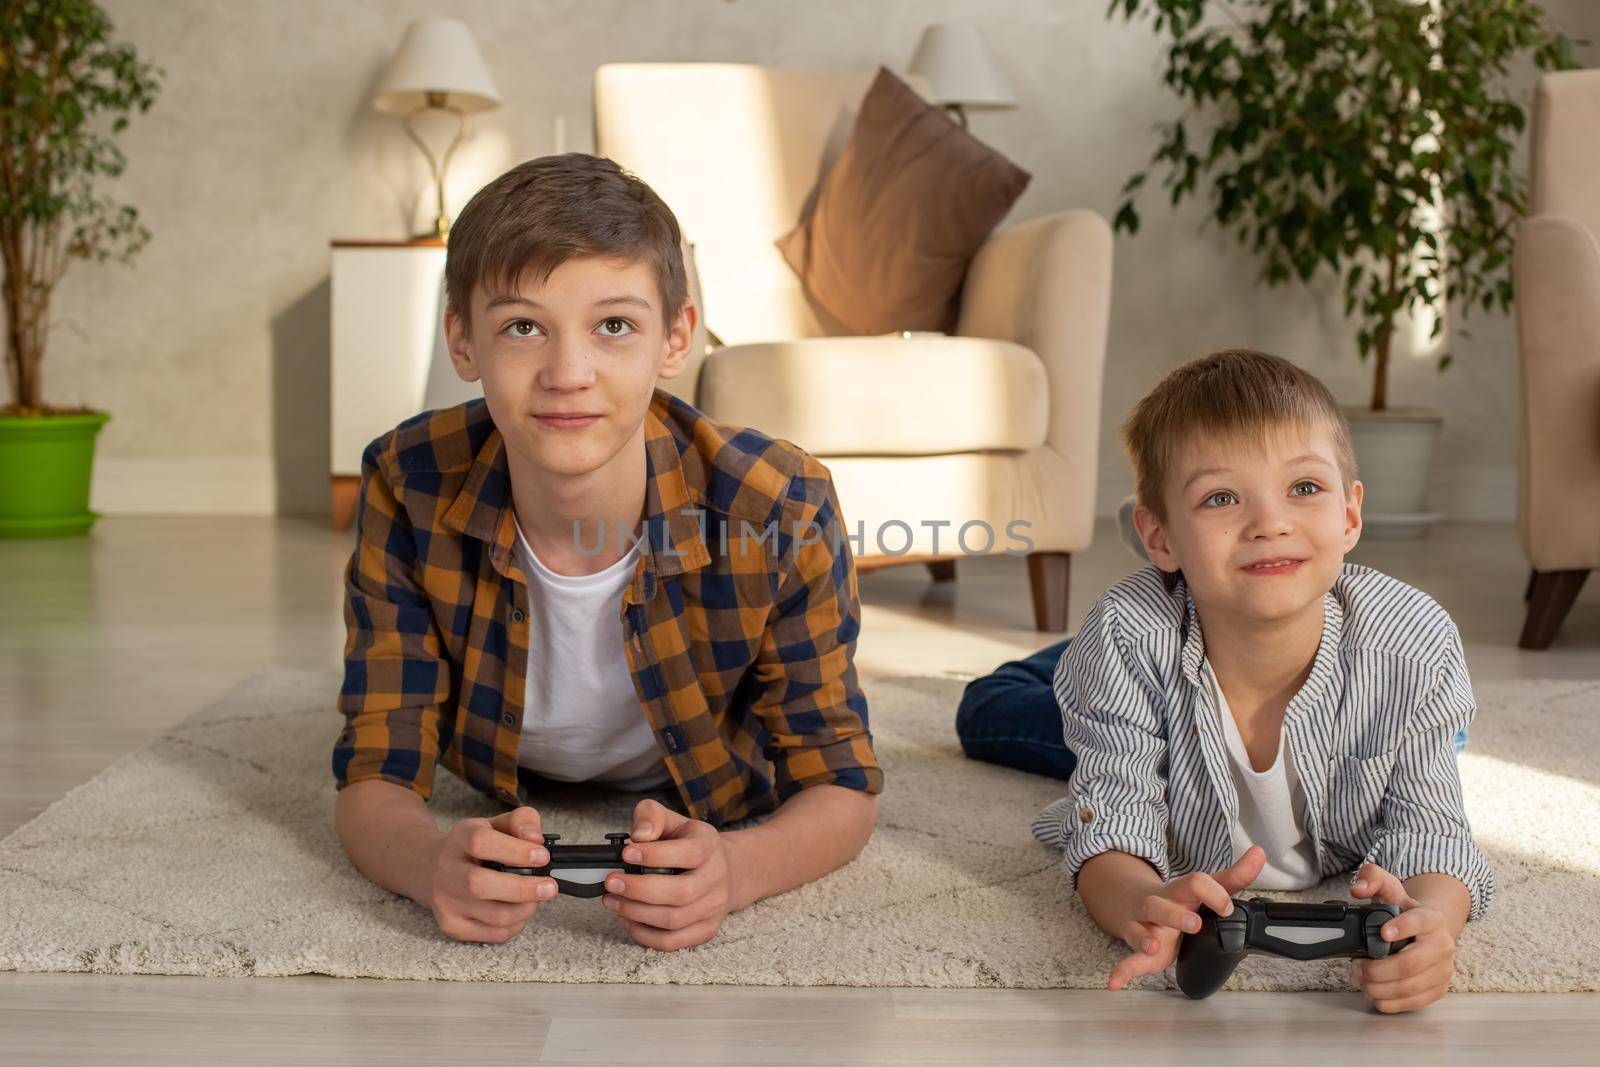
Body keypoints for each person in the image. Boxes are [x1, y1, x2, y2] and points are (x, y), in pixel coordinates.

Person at [332, 154, 880, 951]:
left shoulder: (782, 504)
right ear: (462, 341)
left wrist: (738, 865)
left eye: (613, 326)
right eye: (523, 327)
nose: (568, 374)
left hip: (701, 773)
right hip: (495, 766)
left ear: (674, 339)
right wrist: (426, 863)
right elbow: (373, 773)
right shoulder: (404, 482)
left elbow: (840, 784)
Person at [956, 349, 1490, 1012]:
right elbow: (1112, 819)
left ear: (1351, 516)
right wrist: (1138, 902)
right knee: (986, 711)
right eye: (1220, 498)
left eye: (1304, 488)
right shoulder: (1126, 639)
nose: (1270, 522)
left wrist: (1434, 923)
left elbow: (1433, 834)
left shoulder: (1411, 648)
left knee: (1439, 739)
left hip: (1352, 665)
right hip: (1154, 662)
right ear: (1160, 537)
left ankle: (1446, 724)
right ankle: (1068, 664)